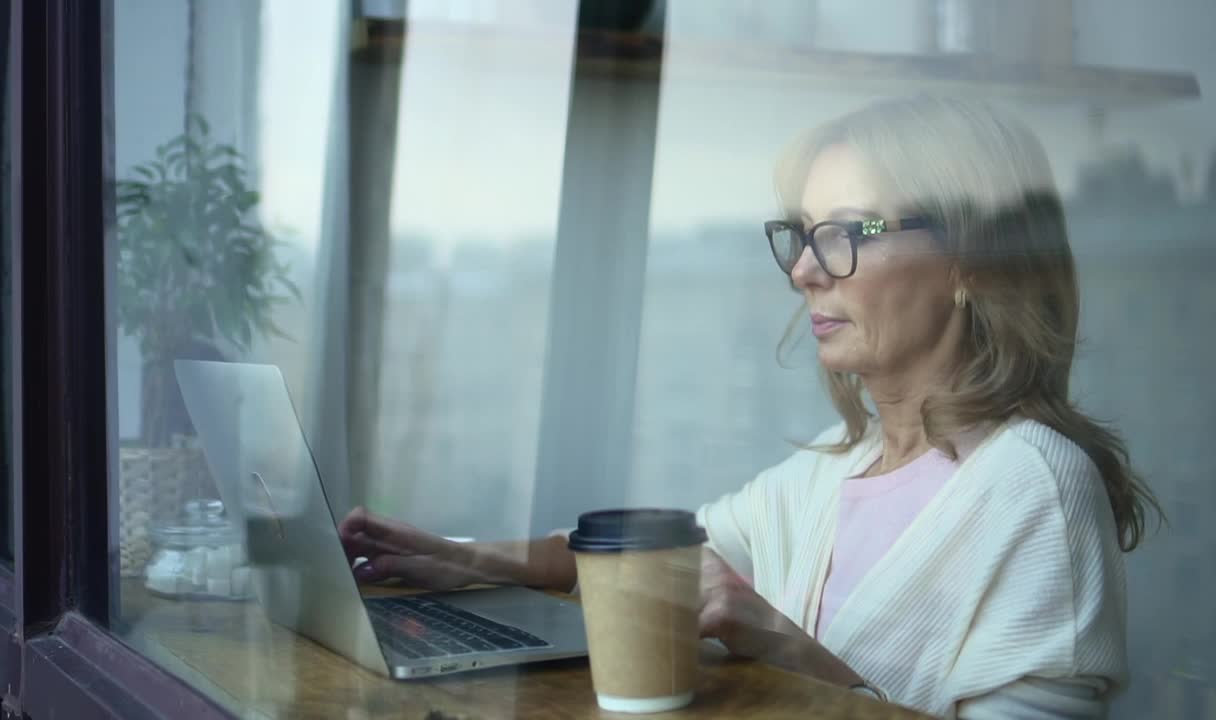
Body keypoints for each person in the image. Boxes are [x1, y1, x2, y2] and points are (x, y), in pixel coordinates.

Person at [339, 96, 1160, 718]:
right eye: (800, 236)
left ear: (970, 262)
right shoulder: (827, 474)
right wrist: (462, 561)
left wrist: (779, 643)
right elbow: (658, 561)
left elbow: (739, 613)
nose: (804, 270)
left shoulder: (1038, 490)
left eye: (848, 233)